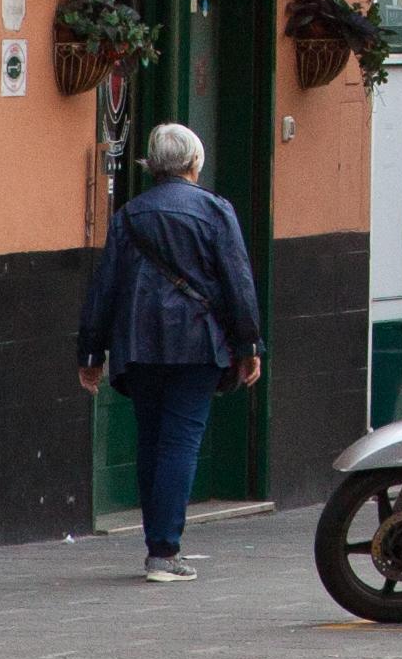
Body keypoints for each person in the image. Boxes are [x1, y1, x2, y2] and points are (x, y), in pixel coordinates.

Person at [79, 122, 264, 584]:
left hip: (138, 344)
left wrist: (90, 352)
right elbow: (238, 282)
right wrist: (249, 345)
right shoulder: (216, 212)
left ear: (152, 164)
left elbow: (105, 287)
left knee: (151, 440)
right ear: (194, 163)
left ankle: (156, 544)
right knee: (180, 441)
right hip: (197, 343)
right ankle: (164, 551)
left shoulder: (129, 216)